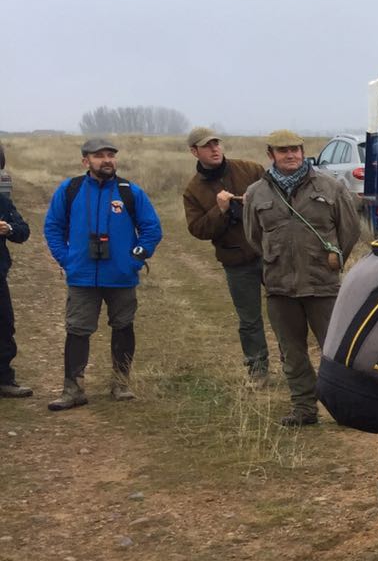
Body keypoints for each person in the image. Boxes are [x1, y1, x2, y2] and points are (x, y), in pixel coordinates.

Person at [241, 129, 363, 426]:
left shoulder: (331, 187)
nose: (291, 155)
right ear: (271, 155)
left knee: (335, 352)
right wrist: (278, 261)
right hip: (280, 287)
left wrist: (330, 261)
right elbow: (253, 237)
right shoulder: (257, 193)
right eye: (283, 151)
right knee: (291, 353)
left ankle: (345, 409)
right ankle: (304, 409)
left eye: (295, 149)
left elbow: (350, 231)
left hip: (323, 285)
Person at [41, 138, 163, 411]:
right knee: (77, 330)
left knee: (123, 327)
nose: (107, 160)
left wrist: (135, 258)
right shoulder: (70, 190)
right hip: (82, 277)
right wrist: (66, 259)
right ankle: (72, 389)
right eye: (99, 156)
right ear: (86, 161)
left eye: (110, 155)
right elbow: (53, 227)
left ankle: (121, 384)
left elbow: (152, 229)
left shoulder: (129, 191)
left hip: (121, 277)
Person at [181, 128, 270, 387]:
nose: (214, 149)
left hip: (268, 254)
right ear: (194, 152)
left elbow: (277, 201)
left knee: (283, 312)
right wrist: (219, 211)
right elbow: (198, 230)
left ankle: (293, 366)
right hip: (236, 261)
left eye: (216, 143)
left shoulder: (250, 170)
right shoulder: (193, 190)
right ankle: (258, 369)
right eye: (207, 146)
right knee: (249, 319)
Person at [1, 160, 31, 398]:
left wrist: (9, 229)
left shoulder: (2, 202)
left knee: (4, 326)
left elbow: (23, 232)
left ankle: (4, 380)